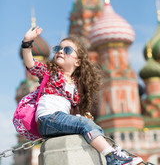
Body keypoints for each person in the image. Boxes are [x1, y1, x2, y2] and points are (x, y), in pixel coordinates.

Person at [22, 26, 143, 165]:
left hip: (58, 121)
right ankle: (112, 157)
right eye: (58, 49)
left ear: (77, 62)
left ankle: (116, 153)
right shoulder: (50, 73)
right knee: (83, 124)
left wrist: (85, 116)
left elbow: (73, 110)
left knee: (90, 124)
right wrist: (27, 43)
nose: (61, 51)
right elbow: (31, 64)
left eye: (67, 50)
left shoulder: (74, 86)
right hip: (48, 119)